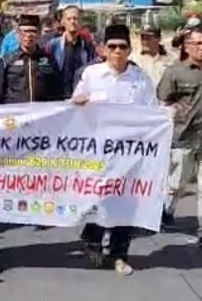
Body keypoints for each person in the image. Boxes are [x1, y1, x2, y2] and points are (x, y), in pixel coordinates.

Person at [73, 24, 158, 276]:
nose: (117, 51)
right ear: (104, 49)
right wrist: (78, 102)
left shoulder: (140, 79)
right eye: (112, 46)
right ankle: (92, 238)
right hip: (99, 151)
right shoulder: (92, 75)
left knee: (127, 203)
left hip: (130, 153)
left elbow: (152, 113)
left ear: (129, 50)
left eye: (122, 46)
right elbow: (73, 107)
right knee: (100, 198)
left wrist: (166, 116)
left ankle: (120, 254)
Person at [157, 27, 202, 236]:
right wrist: (173, 111)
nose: (201, 47)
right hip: (183, 137)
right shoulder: (174, 72)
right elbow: (162, 100)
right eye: (198, 43)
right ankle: (165, 212)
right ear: (187, 47)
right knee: (177, 183)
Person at [0, 15, 63, 104]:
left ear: (39, 33)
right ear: (18, 34)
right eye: (24, 31)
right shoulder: (7, 61)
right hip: (15, 111)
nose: (28, 35)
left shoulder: (48, 59)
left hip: (42, 110)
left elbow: (58, 90)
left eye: (33, 31)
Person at [48, 5, 95, 98]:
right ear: (63, 22)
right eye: (69, 19)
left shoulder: (88, 47)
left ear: (81, 22)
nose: (72, 22)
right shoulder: (53, 45)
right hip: (58, 97)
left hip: (80, 97)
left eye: (75, 18)